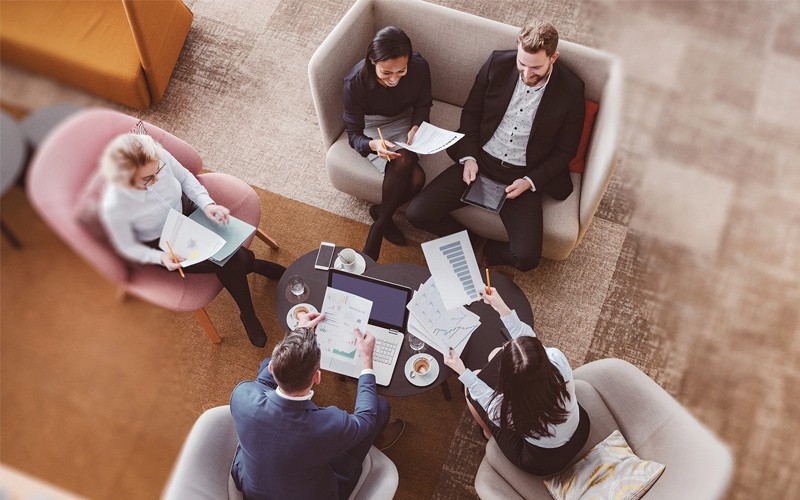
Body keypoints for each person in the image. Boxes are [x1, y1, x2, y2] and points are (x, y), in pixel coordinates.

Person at [407, 20, 585, 271]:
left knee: (526, 259)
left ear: (553, 57)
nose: (526, 74)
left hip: (522, 175)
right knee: (417, 214)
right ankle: (468, 237)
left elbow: (566, 150)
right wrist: (468, 156)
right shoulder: (496, 63)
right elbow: (471, 113)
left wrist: (530, 181)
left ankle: (491, 250)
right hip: (480, 159)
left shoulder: (571, 89)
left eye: (535, 68)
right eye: (522, 64)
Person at [99, 132, 285, 348]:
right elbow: (126, 246)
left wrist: (207, 204)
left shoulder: (155, 157)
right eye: (148, 179)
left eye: (158, 169)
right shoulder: (114, 206)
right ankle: (248, 306)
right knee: (229, 259)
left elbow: (186, 177)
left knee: (228, 254)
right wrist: (160, 257)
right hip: (162, 242)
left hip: (188, 213)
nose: (157, 178)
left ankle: (253, 268)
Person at [230, 312, 406, 499]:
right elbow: (366, 418)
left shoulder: (242, 395)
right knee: (379, 408)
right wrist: (366, 360)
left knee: (263, 365)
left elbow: (264, 378)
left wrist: (298, 335)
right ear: (317, 377)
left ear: (273, 369)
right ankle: (377, 440)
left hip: (255, 490)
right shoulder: (330, 425)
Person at [443, 288, 590, 475]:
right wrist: (501, 307)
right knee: (494, 354)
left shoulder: (507, 412)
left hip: (545, 460)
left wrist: (462, 371)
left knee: (470, 390)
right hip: (581, 429)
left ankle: (488, 433)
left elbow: (482, 395)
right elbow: (528, 339)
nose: (505, 344)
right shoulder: (556, 359)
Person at [343, 26, 433, 261]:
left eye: (401, 71)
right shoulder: (354, 83)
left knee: (412, 168)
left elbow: (423, 104)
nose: (394, 79)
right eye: (386, 73)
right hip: (374, 127)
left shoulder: (420, 67)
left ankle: (379, 219)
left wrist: (417, 126)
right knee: (414, 174)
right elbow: (353, 134)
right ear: (372, 61)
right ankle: (380, 226)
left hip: (405, 119)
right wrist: (373, 145)